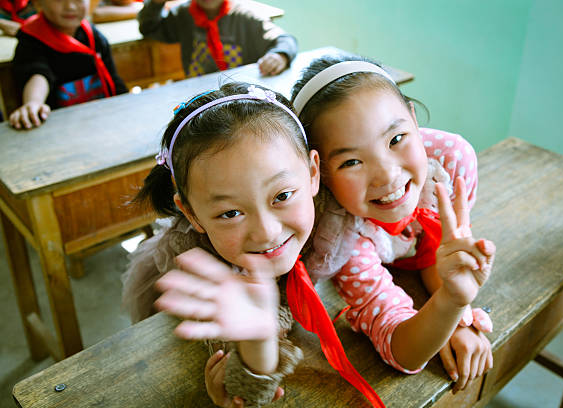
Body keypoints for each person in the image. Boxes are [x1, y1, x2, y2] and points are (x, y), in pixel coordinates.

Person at [122, 82, 384, 407]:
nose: (266, 232)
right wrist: (254, 354)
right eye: (230, 213)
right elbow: (243, 382)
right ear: (191, 213)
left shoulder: (338, 207)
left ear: (314, 172)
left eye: (282, 196)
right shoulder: (197, 266)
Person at [291, 54, 497, 393]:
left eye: (396, 138)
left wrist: (461, 316)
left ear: (413, 120)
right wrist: (451, 302)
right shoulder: (338, 241)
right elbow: (401, 350)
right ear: (321, 173)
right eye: (352, 161)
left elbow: (441, 249)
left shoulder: (451, 161)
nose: (387, 175)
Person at [9, 0, 127, 130]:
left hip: (100, 122)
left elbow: (113, 80)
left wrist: (127, 103)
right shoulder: (31, 40)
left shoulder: (93, 35)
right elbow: (38, 74)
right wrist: (34, 102)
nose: (70, 6)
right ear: (38, 3)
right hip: (58, 130)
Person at [138, 0, 297, 77]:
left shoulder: (246, 16)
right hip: (200, 96)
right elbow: (149, 28)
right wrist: (156, 4)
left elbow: (285, 40)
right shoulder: (183, 14)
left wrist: (279, 55)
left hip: (242, 97)